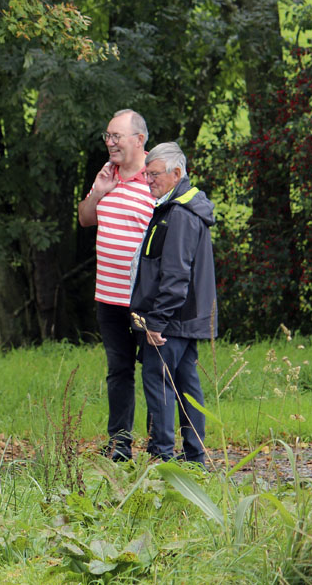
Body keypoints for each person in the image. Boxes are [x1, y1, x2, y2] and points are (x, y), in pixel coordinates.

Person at [130, 142, 216, 465]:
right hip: (183, 318)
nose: (148, 180)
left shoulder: (179, 214)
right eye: (146, 174)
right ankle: (195, 458)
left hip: (172, 320)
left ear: (176, 174)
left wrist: (155, 321)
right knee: (186, 383)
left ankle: (162, 457)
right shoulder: (179, 209)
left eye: (154, 174)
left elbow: (176, 274)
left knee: (159, 382)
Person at [77, 109, 155, 461]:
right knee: (119, 372)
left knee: (154, 372)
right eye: (107, 136)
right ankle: (120, 445)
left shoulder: (156, 175)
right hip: (108, 296)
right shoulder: (107, 174)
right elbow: (85, 218)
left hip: (145, 299)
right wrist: (100, 192)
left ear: (139, 139)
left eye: (116, 136)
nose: (110, 143)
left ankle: (159, 446)